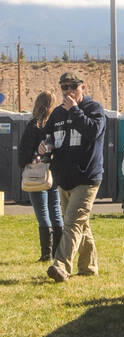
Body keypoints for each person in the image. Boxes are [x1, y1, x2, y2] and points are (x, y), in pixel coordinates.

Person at [41, 72, 106, 284]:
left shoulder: (93, 109)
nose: (68, 91)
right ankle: (89, 267)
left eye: (73, 87)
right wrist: (45, 147)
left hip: (87, 177)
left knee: (72, 222)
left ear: (83, 87)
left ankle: (61, 266)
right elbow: (49, 137)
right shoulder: (57, 114)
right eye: (64, 87)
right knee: (81, 223)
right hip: (64, 177)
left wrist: (75, 110)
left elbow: (93, 131)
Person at [17, 90, 63, 261]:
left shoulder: (34, 125)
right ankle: (58, 252)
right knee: (56, 211)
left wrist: (29, 161)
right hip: (54, 173)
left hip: (37, 174)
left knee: (42, 212)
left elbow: (23, 154)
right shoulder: (56, 124)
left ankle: (46, 254)